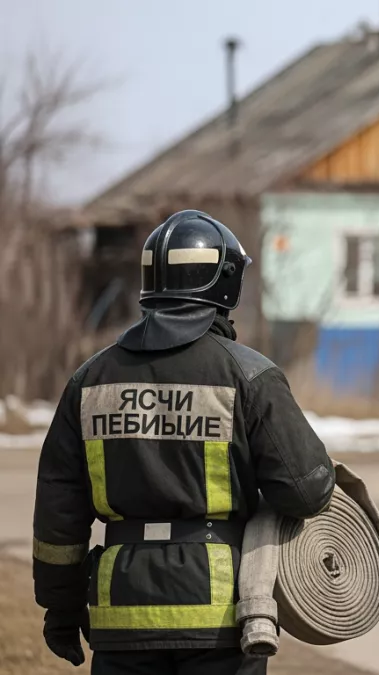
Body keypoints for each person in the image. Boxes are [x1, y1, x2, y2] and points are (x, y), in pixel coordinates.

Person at [32, 209, 336, 674]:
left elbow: (59, 513)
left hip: (121, 616)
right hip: (219, 619)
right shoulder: (249, 375)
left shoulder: (90, 380)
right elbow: (306, 491)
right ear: (226, 283)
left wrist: (60, 606)